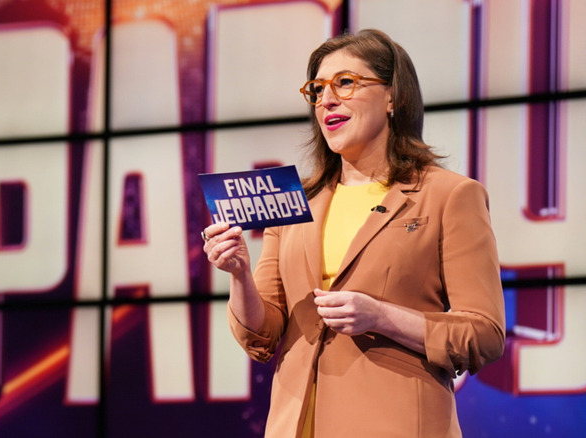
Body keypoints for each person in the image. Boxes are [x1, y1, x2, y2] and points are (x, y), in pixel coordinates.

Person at [202, 29, 505, 438]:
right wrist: (238, 273)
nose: (327, 100)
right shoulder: (296, 203)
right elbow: (263, 335)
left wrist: (381, 316)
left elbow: (483, 335)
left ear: (393, 97)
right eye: (318, 89)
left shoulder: (450, 196)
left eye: (345, 83)